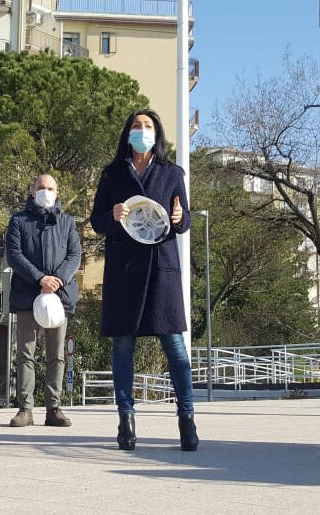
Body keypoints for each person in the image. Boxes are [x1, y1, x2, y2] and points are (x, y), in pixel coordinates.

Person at [89, 109, 196, 452]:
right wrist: (113, 215)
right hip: (123, 269)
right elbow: (97, 222)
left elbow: (184, 217)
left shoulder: (172, 172)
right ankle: (126, 420)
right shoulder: (111, 174)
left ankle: (187, 418)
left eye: (148, 126)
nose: (142, 130)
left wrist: (180, 217)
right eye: (137, 125)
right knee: (123, 346)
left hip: (161, 268)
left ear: (157, 134)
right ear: (127, 132)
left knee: (174, 346)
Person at [5, 174, 82, 428]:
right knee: (26, 354)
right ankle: (25, 409)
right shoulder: (18, 221)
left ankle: (54, 408)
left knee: (56, 355)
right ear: (32, 189)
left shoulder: (68, 222)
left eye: (50, 188)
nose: (45, 192)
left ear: (57, 193)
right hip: (28, 296)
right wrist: (40, 279)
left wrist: (56, 280)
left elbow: (75, 255)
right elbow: (14, 255)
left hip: (59, 298)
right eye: (41, 187)